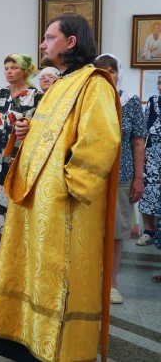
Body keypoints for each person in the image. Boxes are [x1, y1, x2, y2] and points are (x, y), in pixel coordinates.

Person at [0, 13, 120, 361]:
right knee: (32, 274)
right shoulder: (60, 83)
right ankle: (29, 339)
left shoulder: (94, 84)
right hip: (36, 204)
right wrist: (27, 133)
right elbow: (55, 136)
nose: (42, 44)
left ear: (71, 42)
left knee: (57, 282)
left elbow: (100, 141)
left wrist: (68, 187)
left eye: (49, 38)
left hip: (62, 208)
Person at [0, 54, 41, 263]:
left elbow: (40, 131)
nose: (9, 71)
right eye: (6, 68)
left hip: (19, 160)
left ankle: (16, 249)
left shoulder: (36, 96)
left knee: (16, 203)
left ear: (25, 71)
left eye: (14, 67)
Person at [93, 54, 146, 304]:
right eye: (101, 70)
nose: (107, 75)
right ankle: (89, 282)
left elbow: (138, 142)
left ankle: (111, 285)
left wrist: (138, 178)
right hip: (89, 176)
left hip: (121, 176)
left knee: (115, 232)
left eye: (111, 70)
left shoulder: (130, 101)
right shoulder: (87, 99)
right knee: (88, 231)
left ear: (118, 73)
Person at [140, 73, 161, 247]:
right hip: (152, 153)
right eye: (159, 83)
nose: (159, 87)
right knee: (147, 191)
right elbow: (144, 128)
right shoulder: (153, 101)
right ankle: (149, 231)